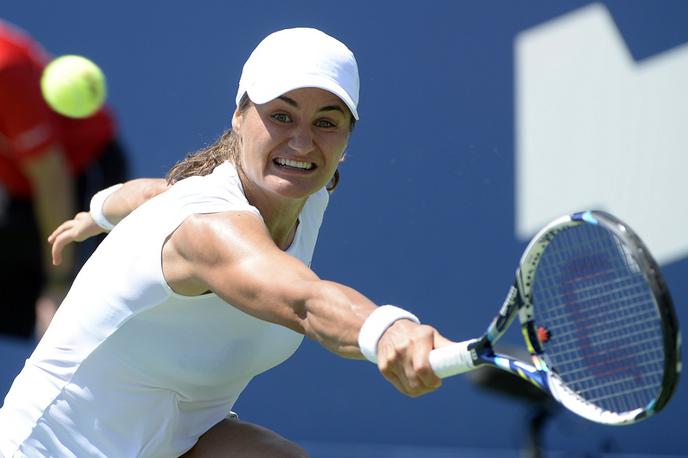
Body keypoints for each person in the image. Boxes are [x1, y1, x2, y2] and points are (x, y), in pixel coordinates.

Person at [0, 27, 452, 457]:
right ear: (239, 117)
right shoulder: (207, 228)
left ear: (347, 137)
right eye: (281, 115)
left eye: (326, 122)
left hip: (178, 442)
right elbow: (303, 301)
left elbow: (160, 191)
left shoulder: (307, 191)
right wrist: (386, 329)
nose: (301, 141)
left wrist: (98, 211)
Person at [0, 19, 128, 340]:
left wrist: (58, 282)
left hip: (80, 179)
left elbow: (51, 178)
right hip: (21, 188)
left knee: (73, 322)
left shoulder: (6, 69)